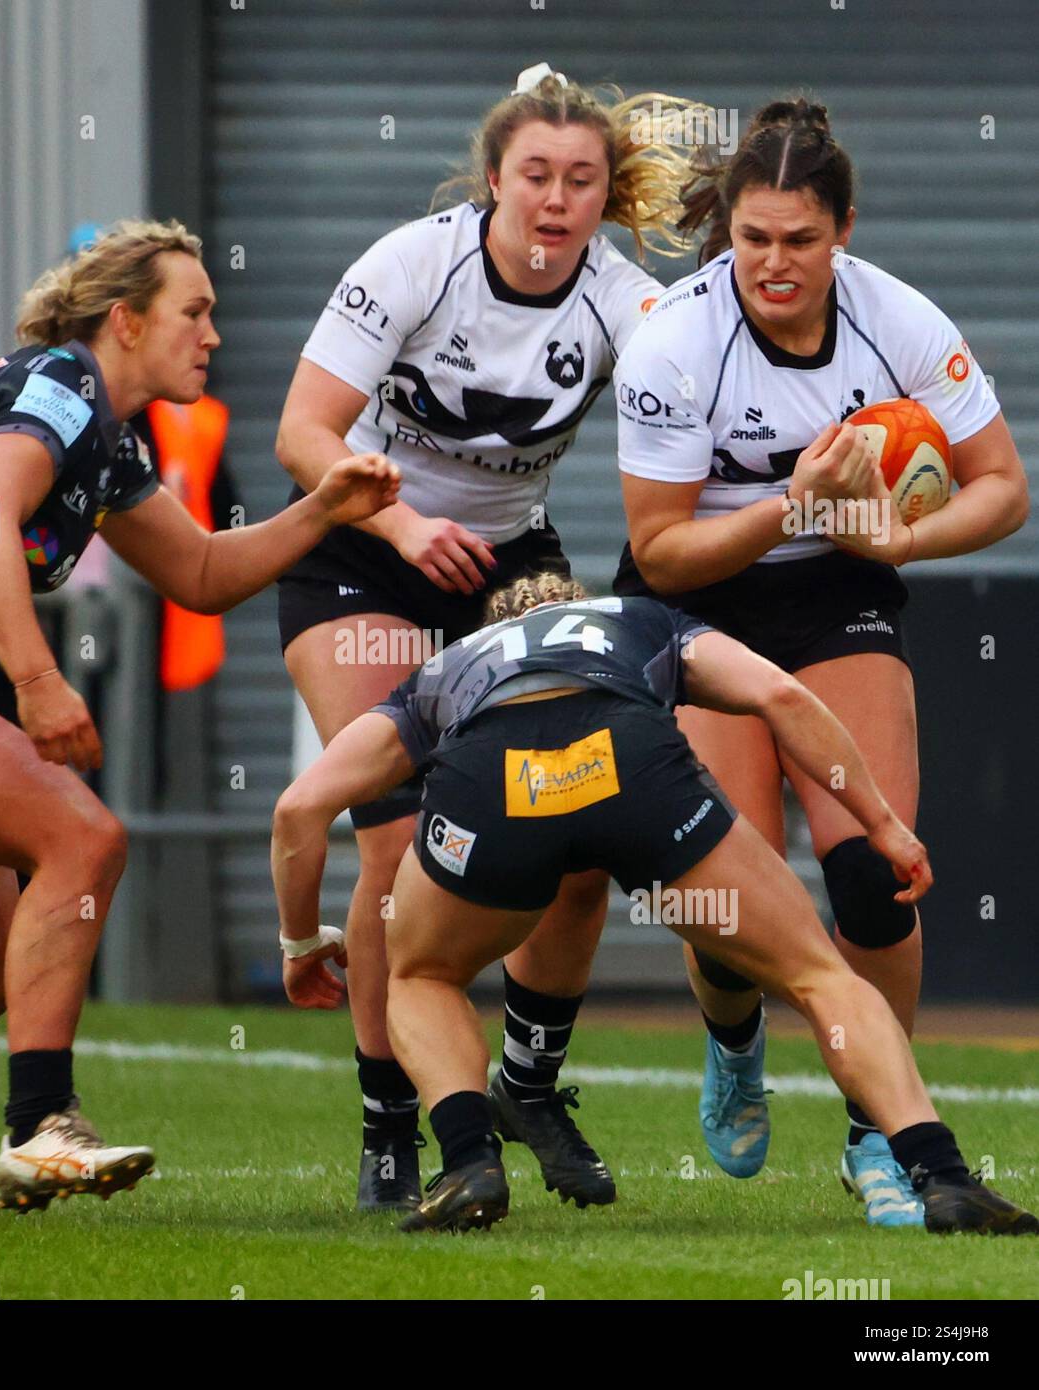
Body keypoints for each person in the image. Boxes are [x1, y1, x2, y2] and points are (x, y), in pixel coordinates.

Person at [0, 219, 399, 1217]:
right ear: (125, 321)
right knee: (80, 834)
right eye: (195, 311)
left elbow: (201, 573)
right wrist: (39, 680)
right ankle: (40, 1126)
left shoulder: (109, 436)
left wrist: (322, 508)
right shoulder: (61, 384)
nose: (213, 334)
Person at [271, 575, 1037, 1237]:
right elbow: (779, 692)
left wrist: (302, 942)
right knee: (819, 977)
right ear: (580, 606)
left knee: (421, 975)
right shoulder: (640, 618)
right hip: (631, 765)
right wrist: (879, 822)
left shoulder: (446, 668)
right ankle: (941, 1173)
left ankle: (470, 1160)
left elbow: (299, 812)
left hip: (492, 780)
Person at [274, 61, 705, 1211]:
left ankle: (527, 1077)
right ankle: (389, 1125)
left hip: (510, 565)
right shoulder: (414, 261)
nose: (555, 201)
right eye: (534, 177)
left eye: (580, 181)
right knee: (390, 850)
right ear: (494, 180)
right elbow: (304, 432)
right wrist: (404, 522)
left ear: (603, 196)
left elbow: (709, 385)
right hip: (360, 552)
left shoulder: (622, 300)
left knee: (579, 826)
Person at [607, 97, 1030, 1226]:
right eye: (753, 239)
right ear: (727, 233)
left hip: (835, 592)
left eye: (800, 240)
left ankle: (875, 1135)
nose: (774, 264)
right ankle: (733, 1036)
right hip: (695, 595)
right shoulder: (673, 338)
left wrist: (901, 538)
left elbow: (1001, 487)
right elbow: (658, 547)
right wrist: (793, 498)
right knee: (724, 906)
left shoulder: (898, 318)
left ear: (844, 230)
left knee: (873, 875)